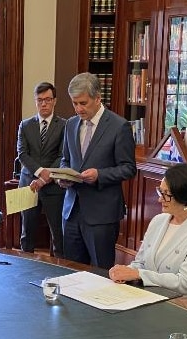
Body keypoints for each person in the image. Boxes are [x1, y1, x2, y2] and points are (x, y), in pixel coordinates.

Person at [109, 164, 187, 309]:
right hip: (155, 299)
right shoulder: (159, 221)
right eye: (160, 192)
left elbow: (184, 283)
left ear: (185, 197)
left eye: (166, 194)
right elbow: (140, 263)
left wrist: (137, 274)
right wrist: (123, 273)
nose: (159, 200)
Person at [58, 72, 136, 269]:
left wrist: (99, 175)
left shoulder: (119, 126)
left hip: (102, 214)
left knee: (100, 272)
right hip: (71, 210)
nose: (78, 109)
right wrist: (63, 175)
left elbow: (128, 168)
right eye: (74, 103)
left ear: (98, 98)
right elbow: (65, 160)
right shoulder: (71, 124)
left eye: (83, 103)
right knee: (72, 271)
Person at [16, 81, 66, 256]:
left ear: (55, 101)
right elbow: (22, 154)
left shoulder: (64, 125)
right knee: (26, 233)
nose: (44, 104)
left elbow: (62, 156)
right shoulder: (25, 125)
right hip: (28, 184)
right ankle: (24, 270)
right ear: (35, 102)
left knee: (58, 233)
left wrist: (45, 178)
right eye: (40, 100)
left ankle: (58, 271)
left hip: (54, 187)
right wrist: (39, 172)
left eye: (47, 99)